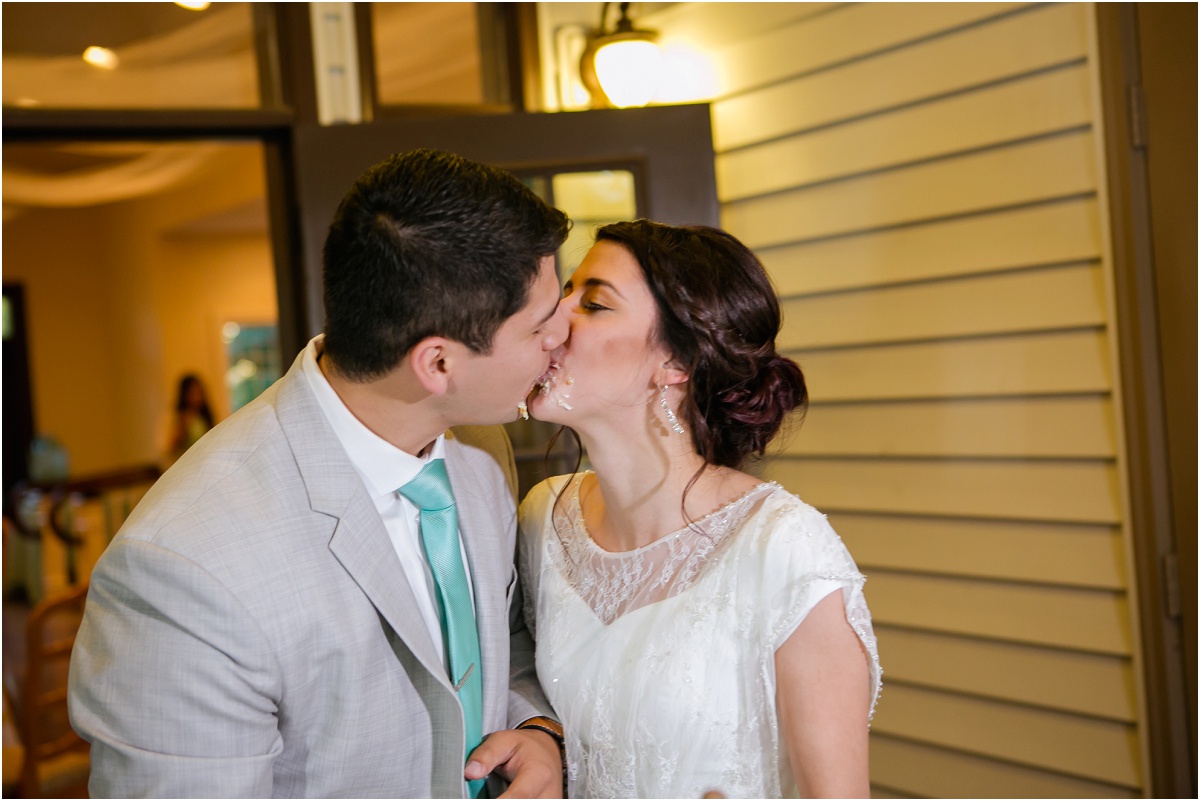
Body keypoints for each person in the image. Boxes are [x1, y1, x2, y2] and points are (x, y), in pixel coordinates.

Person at [69, 149, 571, 798]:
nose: (565, 332)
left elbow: (509, 640)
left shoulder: (478, 449)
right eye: (540, 323)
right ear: (438, 364)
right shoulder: (183, 573)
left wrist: (537, 729)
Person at [518, 220, 882, 798]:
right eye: (566, 293)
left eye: (594, 303)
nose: (556, 320)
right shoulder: (544, 520)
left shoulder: (784, 549)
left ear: (677, 363)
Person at [166, 373, 215, 461]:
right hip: (187, 462)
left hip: (205, 459)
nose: (197, 398)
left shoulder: (204, 417)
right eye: (193, 393)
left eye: (199, 393)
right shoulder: (180, 416)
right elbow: (170, 447)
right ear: (185, 395)